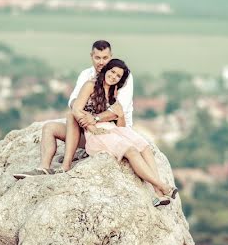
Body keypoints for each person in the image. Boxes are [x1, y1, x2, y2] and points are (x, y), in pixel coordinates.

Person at [14, 40, 133, 178]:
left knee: (72, 116)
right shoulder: (86, 75)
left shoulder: (120, 76)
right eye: (97, 57)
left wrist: (91, 118)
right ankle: (44, 168)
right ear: (91, 56)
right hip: (88, 130)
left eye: (105, 58)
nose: (101, 62)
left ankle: (66, 165)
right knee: (50, 127)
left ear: (110, 57)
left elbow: (117, 112)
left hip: (112, 133)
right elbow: (73, 101)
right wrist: (84, 118)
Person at [67, 58, 177, 207]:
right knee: (131, 151)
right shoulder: (90, 85)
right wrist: (91, 126)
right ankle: (162, 186)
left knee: (144, 147)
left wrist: (120, 114)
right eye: (112, 72)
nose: (113, 77)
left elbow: (121, 125)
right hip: (96, 133)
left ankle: (157, 193)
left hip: (114, 129)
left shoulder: (115, 93)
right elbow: (76, 110)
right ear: (106, 70)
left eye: (118, 76)